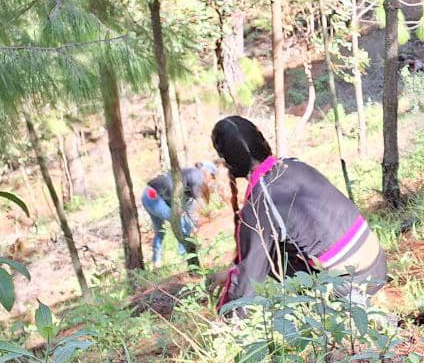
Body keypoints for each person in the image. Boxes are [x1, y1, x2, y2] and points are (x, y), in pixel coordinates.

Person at [210, 116, 387, 307]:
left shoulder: (259, 202)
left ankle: (338, 306)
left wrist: (227, 317)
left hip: (352, 283)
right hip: (378, 265)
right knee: (275, 248)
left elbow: (249, 282)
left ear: (228, 162)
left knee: (271, 255)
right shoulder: (294, 165)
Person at [140, 162, 215, 267]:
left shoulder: (187, 181)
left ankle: (156, 262)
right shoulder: (197, 175)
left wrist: (194, 224)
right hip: (155, 197)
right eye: (212, 176)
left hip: (147, 195)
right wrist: (208, 213)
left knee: (160, 231)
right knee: (179, 222)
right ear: (207, 171)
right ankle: (184, 256)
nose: (210, 181)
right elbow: (198, 200)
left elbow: (189, 208)